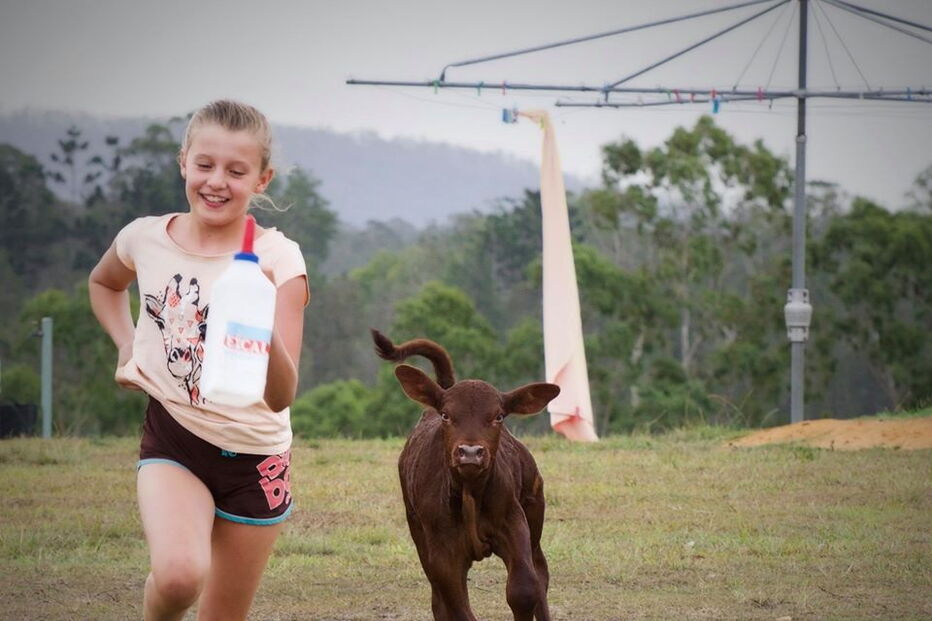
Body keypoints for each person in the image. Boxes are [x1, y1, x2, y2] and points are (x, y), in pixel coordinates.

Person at [89, 100, 309, 621]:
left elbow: (281, 396)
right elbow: (104, 283)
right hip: (176, 435)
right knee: (179, 575)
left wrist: (255, 313)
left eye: (237, 171)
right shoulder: (145, 237)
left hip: (256, 456)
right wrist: (127, 343)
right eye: (205, 164)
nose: (217, 181)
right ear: (183, 161)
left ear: (261, 179)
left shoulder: (278, 260)